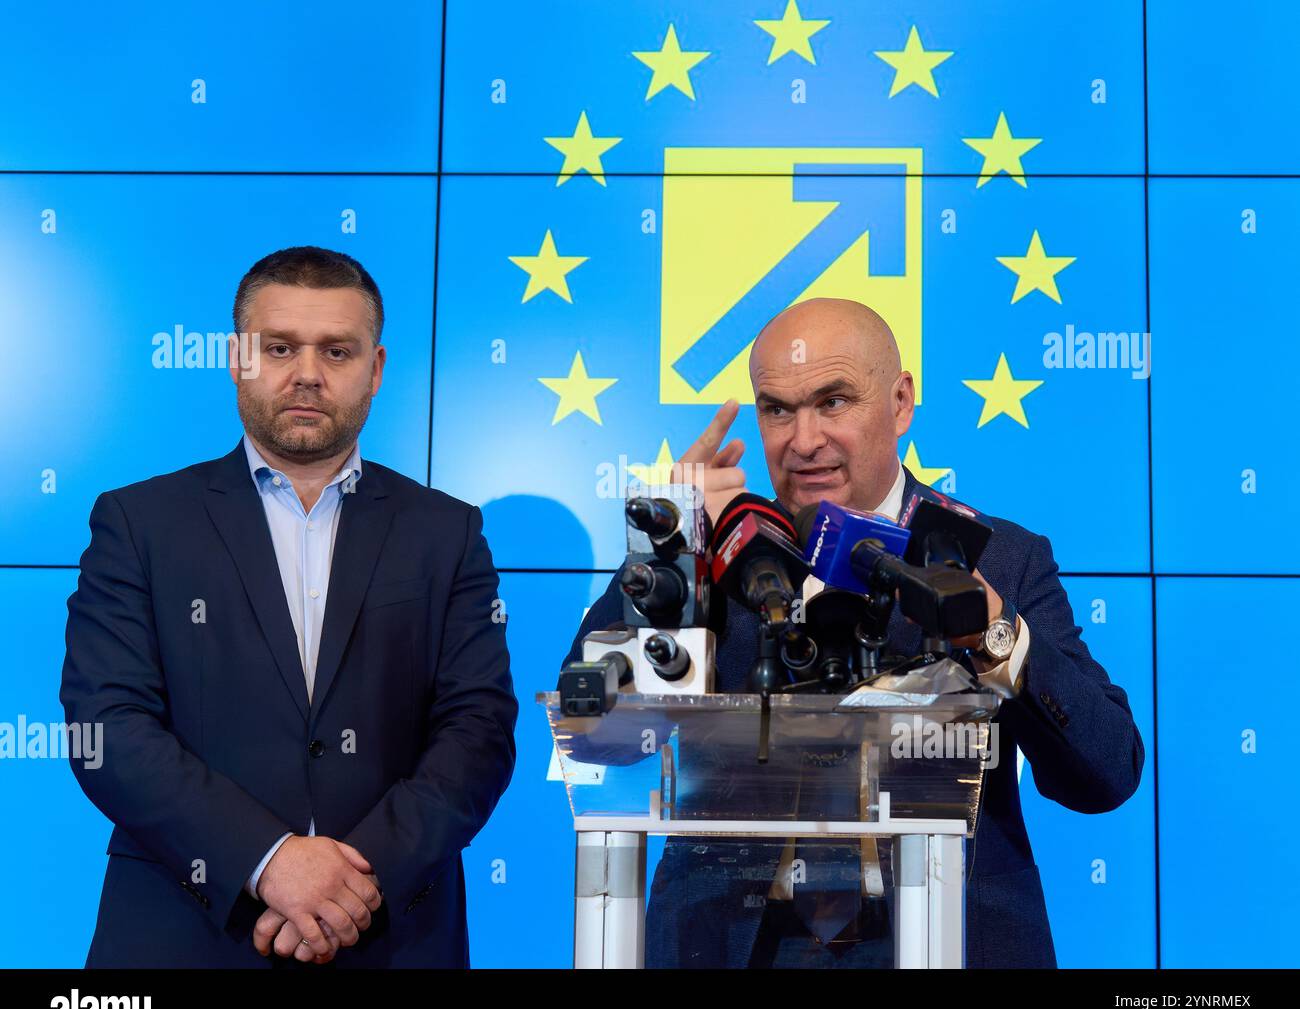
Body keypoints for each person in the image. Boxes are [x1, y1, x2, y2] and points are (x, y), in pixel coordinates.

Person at [562, 297, 1144, 968]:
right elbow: (591, 733)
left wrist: (994, 638)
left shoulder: (998, 557)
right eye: (778, 408)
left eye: (833, 401)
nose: (803, 440)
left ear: (900, 403)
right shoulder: (709, 557)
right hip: (730, 946)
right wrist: (667, 554)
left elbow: (1107, 773)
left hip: (948, 937)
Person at [61, 246, 518, 968]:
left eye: (337, 350)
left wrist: (349, 884)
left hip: (391, 935)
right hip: (183, 936)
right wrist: (270, 861)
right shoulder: (138, 523)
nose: (307, 372)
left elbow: (479, 730)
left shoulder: (447, 532)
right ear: (239, 358)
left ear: (375, 369)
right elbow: (107, 728)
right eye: (280, 347)